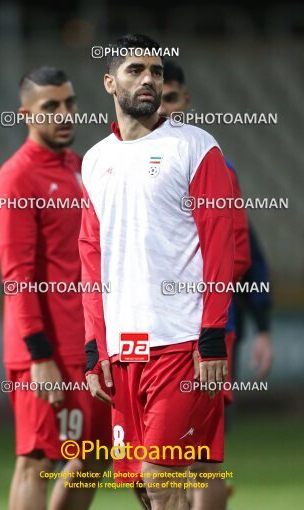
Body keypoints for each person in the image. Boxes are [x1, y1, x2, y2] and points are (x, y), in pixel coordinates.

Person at [79, 34, 236, 510]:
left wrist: (212, 337)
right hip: (124, 352)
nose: (149, 78)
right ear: (109, 82)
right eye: (135, 70)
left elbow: (220, 247)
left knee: (159, 474)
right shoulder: (95, 159)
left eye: (157, 72)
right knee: (144, 487)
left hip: (183, 343)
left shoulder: (195, 147)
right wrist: (95, 347)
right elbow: (91, 260)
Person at [0, 66, 110, 510]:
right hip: (43, 352)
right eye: (51, 107)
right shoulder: (15, 179)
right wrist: (40, 356)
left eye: (70, 103)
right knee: (37, 459)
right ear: (26, 115)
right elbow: (16, 276)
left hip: (87, 346)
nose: (65, 114)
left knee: (93, 456)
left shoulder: (82, 169)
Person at [158, 59, 272, 508]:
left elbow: (241, 252)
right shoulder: (121, 162)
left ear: (185, 99)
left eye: (169, 97)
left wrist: (259, 323)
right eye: (154, 98)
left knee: (202, 454)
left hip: (203, 330)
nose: (160, 108)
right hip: (145, 335)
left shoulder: (209, 160)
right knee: (154, 459)